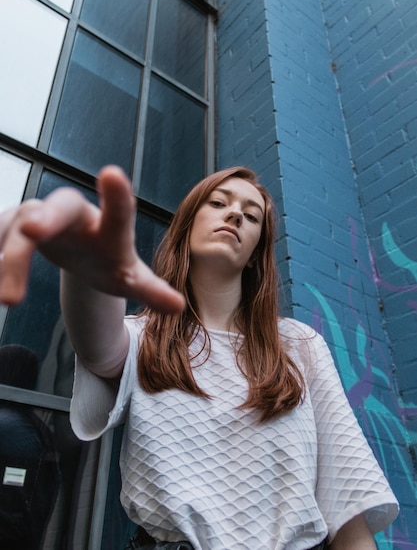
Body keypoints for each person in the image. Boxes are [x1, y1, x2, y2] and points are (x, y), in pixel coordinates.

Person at [0, 165, 398, 550]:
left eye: (251, 215)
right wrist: (87, 263)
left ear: (258, 248)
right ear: (188, 224)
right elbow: (97, 343)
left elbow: (348, 505)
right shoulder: (142, 336)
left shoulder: (299, 344)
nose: (236, 214)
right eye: (218, 202)